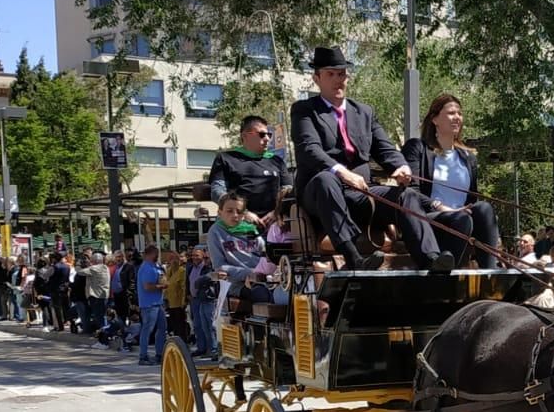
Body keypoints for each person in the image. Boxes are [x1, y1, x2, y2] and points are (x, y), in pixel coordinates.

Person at [290, 45, 455, 271]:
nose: (339, 80)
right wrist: (342, 172)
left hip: (360, 191)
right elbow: (310, 150)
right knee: (325, 180)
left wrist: (401, 166)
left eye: (342, 74)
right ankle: (353, 257)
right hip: (320, 194)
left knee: (406, 196)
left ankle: (431, 259)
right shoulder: (304, 110)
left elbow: (385, 149)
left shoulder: (364, 112)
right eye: (331, 74)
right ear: (317, 78)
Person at [400, 93, 502, 268]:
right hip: (431, 217)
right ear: (434, 119)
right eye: (451, 113)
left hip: (463, 217)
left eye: (459, 113)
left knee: (484, 208)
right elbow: (411, 193)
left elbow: (472, 199)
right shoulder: (417, 148)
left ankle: (489, 273)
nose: (457, 118)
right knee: (462, 219)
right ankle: (444, 272)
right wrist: (440, 206)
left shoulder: (468, 157)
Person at [208, 115, 290, 226]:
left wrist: (276, 212)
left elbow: (288, 190)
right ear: (245, 136)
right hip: (237, 225)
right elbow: (217, 191)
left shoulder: (276, 161)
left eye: (269, 135)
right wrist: (242, 213)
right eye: (261, 134)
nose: (267, 139)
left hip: (274, 226)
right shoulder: (225, 158)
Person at [208, 193, 271, 309]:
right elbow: (220, 266)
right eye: (229, 211)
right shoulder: (215, 232)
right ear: (220, 212)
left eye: (239, 211)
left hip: (265, 278)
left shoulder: (252, 230)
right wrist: (250, 273)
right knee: (261, 294)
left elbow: (266, 255)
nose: (235, 215)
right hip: (237, 283)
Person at [134, 244, 167, 365]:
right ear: (149, 254)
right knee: (147, 329)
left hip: (158, 303)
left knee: (162, 328)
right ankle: (143, 356)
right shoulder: (147, 268)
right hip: (149, 304)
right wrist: (161, 286)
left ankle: (159, 354)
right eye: (156, 253)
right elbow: (147, 286)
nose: (157, 256)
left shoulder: (155, 266)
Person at [188, 246, 218, 357]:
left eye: (197, 255)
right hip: (196, 299)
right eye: (193, 255)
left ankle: (213, 350)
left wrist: (200, 281)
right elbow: (189, 281)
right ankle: (203, 348)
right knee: (198, 326)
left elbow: (209, 279)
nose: (194, 257)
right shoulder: (190, 268)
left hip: (208, 299)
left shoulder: (207, 267)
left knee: (210, 326)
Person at [80, 250, 110, 335]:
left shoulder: (94, 268)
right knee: (103, 316)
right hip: (104, 295)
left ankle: (103, 337)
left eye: (91, 260)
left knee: (99, 317)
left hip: (96, 296)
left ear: (94, 261)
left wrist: (78, 265)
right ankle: (104, 334)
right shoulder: (105, 267)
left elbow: (80, 272)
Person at [164, 250, 190, 341]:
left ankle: (183, 342)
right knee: (173, 324)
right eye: (170, 259)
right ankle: (176, 342)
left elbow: (183, 287)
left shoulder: (182, 271)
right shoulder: (168, 271)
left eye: (174, 258)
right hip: (170, 302)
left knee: (180, 325)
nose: (172, 261)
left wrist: (184, 301)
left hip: (179, 303)